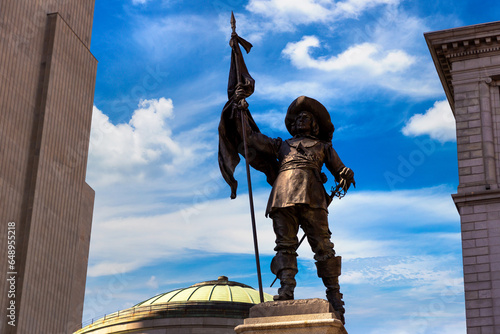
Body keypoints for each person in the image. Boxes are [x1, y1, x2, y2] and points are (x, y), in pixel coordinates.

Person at [236, 96, 355, 324]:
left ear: (314, 124)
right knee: (285, 245)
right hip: (282, 196)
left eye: (306, 117)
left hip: (313, 197)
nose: (301, 120)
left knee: (323, 246)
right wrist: (241, 112)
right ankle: (286, 290)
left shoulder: (323, 147)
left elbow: (339, 169)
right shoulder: (281, 145)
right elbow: (251, 138)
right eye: (298, 117)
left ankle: (334, 296)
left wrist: (345, 173)